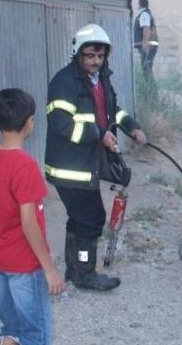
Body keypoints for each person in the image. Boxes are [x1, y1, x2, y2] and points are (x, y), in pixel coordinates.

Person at [44, 23, 147, 291]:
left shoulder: (101, 79)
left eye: (100, 56)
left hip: (85, 163)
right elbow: (62, 124)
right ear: (77, 54)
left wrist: (132, 127)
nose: (96, 61)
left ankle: (74, 270)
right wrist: (98, 134)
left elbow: (112, 111)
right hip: (70, 167)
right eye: (90, 55)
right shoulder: (64, 82)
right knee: (91, 217)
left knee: (79, 218)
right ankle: (85, 272)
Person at [0, 88, 65, 345]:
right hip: (24, 266)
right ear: (29, 122)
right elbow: (29, 224)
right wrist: (50, 270)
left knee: (11, 329)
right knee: (35, 334)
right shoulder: (25, 165)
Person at [133, 0, 158, 82]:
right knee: (146, 67)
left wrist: (145, 43)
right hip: (149, 44)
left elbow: (146, 28)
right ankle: (149, 89)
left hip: (148, 44)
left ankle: (150, 90)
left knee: (146, 67)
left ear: (139, 5)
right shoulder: (146, 13)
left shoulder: (144, 14)